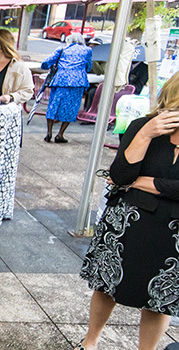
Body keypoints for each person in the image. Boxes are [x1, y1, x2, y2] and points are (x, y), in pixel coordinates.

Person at [76, 72, 179, 350]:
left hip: (173, 232)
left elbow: (131, 181)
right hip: (127, 223)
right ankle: (90, 341)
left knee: (159, 300)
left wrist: (147, 182)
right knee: (107, 285)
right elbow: (121, 176)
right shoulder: (143, 126)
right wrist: (146, 133)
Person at [42, 33, 92, 143]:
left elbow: (46, 62)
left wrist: (48, 66)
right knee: (71, 109)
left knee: (53, 106)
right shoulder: (87, 50)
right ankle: (60, 134)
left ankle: (49, 132)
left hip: (61, 80)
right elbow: (89, 66)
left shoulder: (62, 49)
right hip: (77, 82)